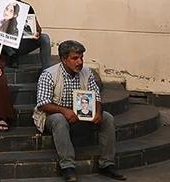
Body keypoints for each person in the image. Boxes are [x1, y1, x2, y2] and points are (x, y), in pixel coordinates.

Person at [34, 40, 125, 182]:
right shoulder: (49, 75)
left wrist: (98, 112)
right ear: (64, 59)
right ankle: (68, 166)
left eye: (81, 57)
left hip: (81, 113)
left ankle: (107, 164)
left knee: (108, 118)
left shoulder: (86, 72)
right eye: (75, 58)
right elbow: (43, 104)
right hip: (53, 115)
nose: (80, 62)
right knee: (59, 119)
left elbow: (96, 95)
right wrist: (65, 111)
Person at [3, 0, 51, 70]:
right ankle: (11, 56)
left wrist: (36, 32)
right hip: (5, 46)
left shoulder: (27, 7)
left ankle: (47, 72)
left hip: (21, 43)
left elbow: (38, 29)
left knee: (45, 38)